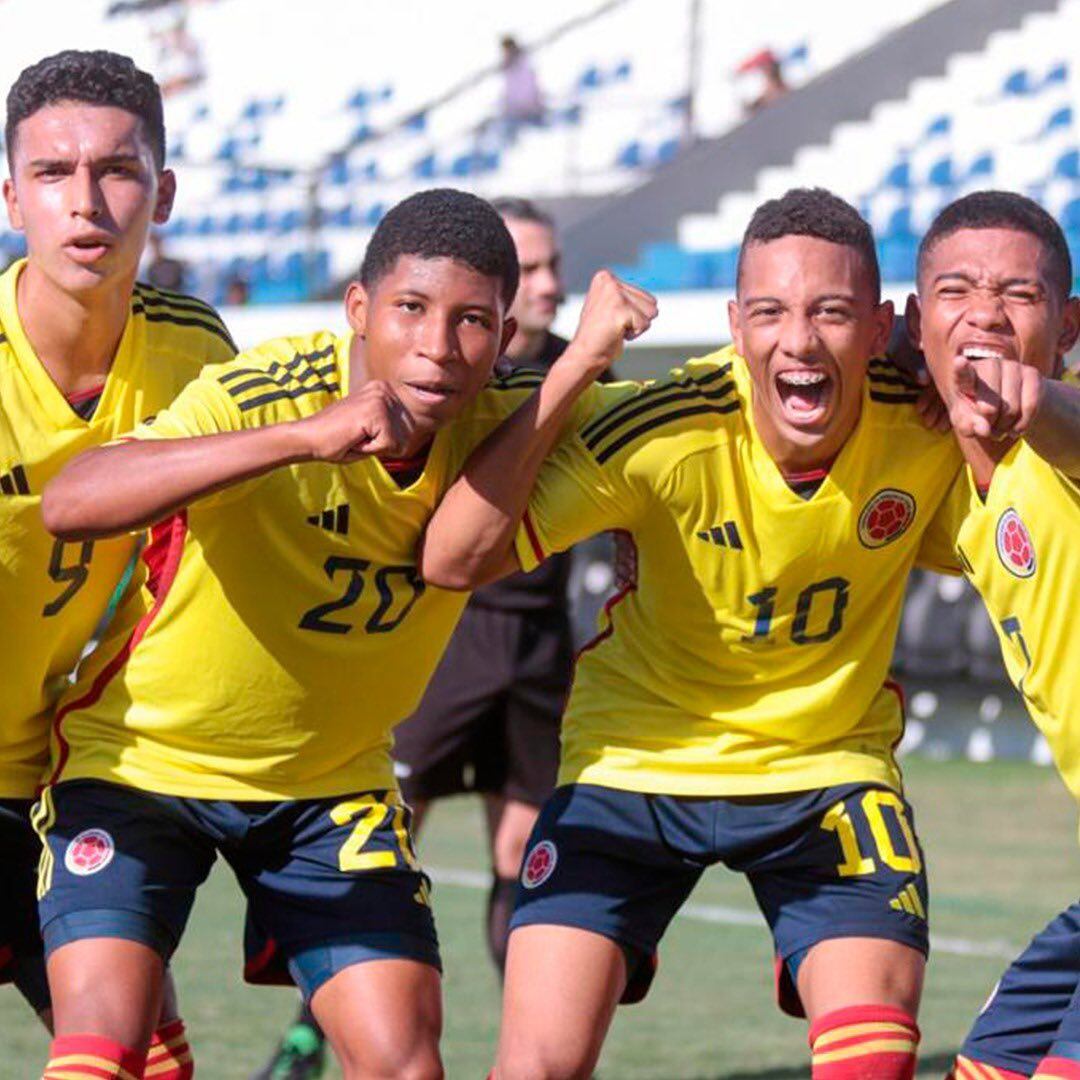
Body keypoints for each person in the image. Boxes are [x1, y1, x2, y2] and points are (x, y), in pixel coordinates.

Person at [36, 187, 610, 1080]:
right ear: (358, 309)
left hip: (330, 789)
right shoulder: (270, 387)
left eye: (471, 322)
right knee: (108, 1053)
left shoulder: (514, 414)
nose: (436, 345)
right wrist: (302, 438)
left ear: (504, 337)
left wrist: (587, 360)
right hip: (141, 766)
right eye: (410, 308)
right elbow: (73, 501)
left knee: (406, 1064)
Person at [421, 187, 983, 1079]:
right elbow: (452, 557)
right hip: (631, 767)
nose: (799, 342)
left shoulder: (928, 422)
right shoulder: (664, 428)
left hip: (827, 771)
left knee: (873, 1060)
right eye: (770, 312)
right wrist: (576, 367)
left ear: (881, 328)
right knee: (534, 1068)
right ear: (734, 324)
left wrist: (967, 371)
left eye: (832, 313)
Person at [252, 195, 578, 1080]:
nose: (549, 285)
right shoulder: (444, 380)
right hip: (444, 638)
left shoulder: (575, 373)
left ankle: (529, 1049)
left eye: (552, 267)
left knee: (523, 857)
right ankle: (315, 1028)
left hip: (540, 648)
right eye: (532, 268)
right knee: (391, 834)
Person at [0, 48, 235, 1079]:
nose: (85, 202)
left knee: (138, 1057)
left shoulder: (198, 353)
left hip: (67, 777)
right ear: (12, 197)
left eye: (117, 170)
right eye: (52, 173)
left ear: (163, 194)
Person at [903, 191, 1080, 1080]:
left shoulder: (1062, 438)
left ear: (1069, 325)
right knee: (987, 1064)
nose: (986, 314)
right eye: (958, 291)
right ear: (916, 321)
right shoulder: (945, 489)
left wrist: (1038, 403)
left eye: (1019, 294)